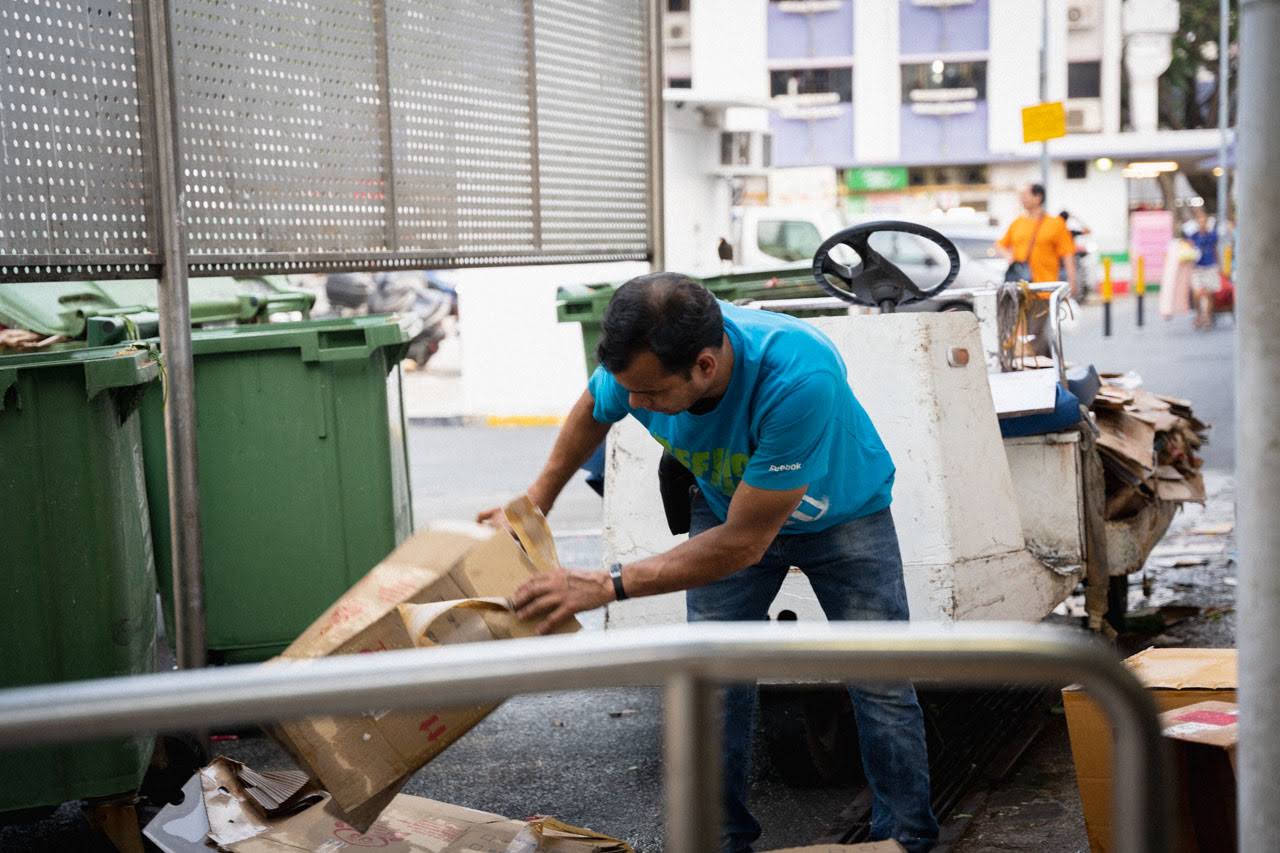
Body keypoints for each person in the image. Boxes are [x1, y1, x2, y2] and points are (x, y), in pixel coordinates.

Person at [479, 274, 937, 853]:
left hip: (842, 516)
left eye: (649, 395)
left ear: (704, 366)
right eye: (632, 392)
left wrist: (607, 584)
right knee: (714, 686)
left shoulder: (798, 374)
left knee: (882, 684)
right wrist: (534, 503)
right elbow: (596, 405)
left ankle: (907, 840)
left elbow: (743, 543)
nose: (637, 405)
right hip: (726, 506)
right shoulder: (644, 360)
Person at [993, 184, 1077, 353]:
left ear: (1038, 197)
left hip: (1043, 288)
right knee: (1019, 332)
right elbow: (1000, 244)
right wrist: (1008, 256)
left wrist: (1072, 284)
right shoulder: (1018, 223)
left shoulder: (1055, 224)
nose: (1022, 198)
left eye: (1026, 195)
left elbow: (1068, 255)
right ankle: (1047, 364)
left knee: (1034, 333)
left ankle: (1040, 368)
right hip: (1019, 288)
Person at [1188, 208, 1221, 329]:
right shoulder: (1193, 236)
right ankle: (1199, 315)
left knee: (1208, 294)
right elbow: (1188, 251)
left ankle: (1207, 317)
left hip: (1210, 266)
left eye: (1203, 220)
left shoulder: (1212, 235)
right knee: (1197, 293)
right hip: (1197, 268)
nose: (1201, 222)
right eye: (1199, 220)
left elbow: (1215, 250)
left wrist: (1220, 266)